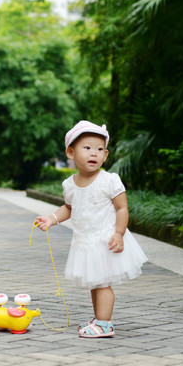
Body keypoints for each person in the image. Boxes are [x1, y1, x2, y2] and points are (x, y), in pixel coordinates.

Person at [35, 120, 148, 338]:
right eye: (86, 148)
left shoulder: (109, 180)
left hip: (106, 240)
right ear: (71, 152)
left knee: (103, 284)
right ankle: (99, 318)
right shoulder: (70, 184)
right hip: (85, 241)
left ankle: (105, 324)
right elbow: (69, 208)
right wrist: (51, 219)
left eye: (99, 149)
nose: (93, 153)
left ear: (105, 155)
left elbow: (122, 207)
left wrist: (119, 233)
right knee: (95, 283)